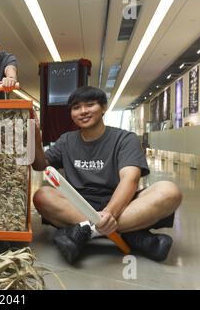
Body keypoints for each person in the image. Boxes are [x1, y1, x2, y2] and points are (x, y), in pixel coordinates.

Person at [32, 86, 182, 264]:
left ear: (103, 107)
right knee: (42, 196)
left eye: (90, 105)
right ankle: (130, 234)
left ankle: (83, 231)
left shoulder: (125, 139)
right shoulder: (66, 140)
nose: (83, 111)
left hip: (122, 204)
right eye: (76, 107)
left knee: (169, 191)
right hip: (78, 204)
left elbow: (130, 179)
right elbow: (40, 165)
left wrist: (109, 213)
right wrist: (36, 138)